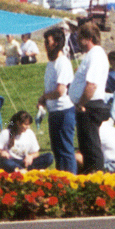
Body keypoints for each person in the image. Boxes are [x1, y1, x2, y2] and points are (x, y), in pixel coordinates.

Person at [70, 20, 111, 174]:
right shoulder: (91, 55)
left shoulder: (96, 55)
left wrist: (81, 103)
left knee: (91, 145)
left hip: (89, 105)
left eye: (80, 38)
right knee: (86, 146)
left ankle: (96, 175)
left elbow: (91, 85)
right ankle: (89, 173)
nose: (78, 42)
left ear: (88, 38)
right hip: (86, 104)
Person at [40, 25, 77, 174]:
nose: (45, 46)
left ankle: (71, 179)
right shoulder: (51, 64)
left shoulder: (63, 63)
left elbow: (60, 91)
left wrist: (44, 96)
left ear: (56, 43)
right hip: (54, 111)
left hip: (64, 111)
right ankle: (61, 179)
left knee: (66, 149)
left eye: (47, 42)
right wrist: (44, 100)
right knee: (57, 150)